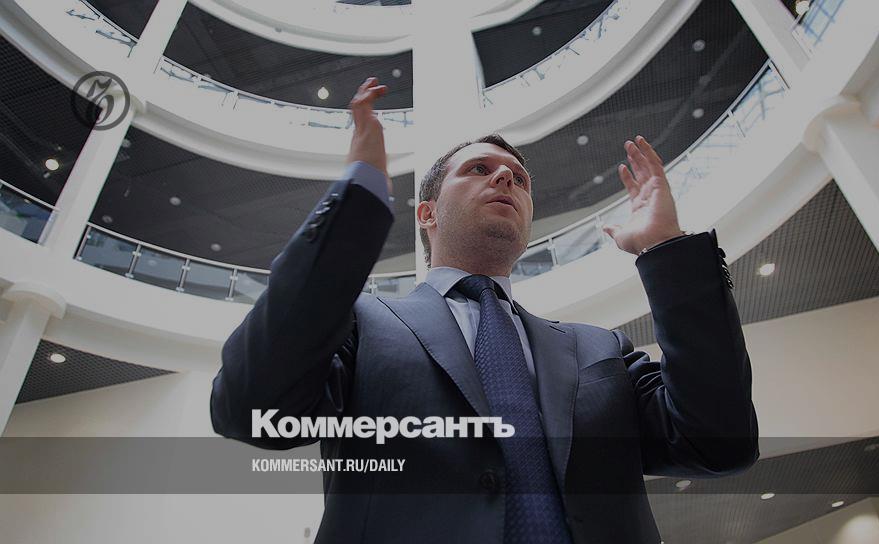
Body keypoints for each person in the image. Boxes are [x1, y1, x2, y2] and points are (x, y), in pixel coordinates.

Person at [211, 76, 758, 543]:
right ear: (427, 213)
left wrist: (668, 253)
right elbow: (252, 409)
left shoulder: (600, 349)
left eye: (519, 179)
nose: (505, 179)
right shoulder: (360, 325)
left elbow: (719, 443)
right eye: (478, 169)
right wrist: (355, 198)